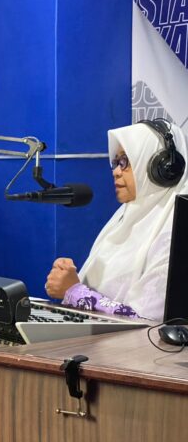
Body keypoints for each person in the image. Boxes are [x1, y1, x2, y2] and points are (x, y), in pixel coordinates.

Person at [45, 120, 187, 321]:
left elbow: (148, 323)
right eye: (115, 162)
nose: (116, 171)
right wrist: (68, 279)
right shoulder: (123, 218)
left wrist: (74, 291)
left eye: (125, 161)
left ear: (164, 168)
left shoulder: (174, 233)